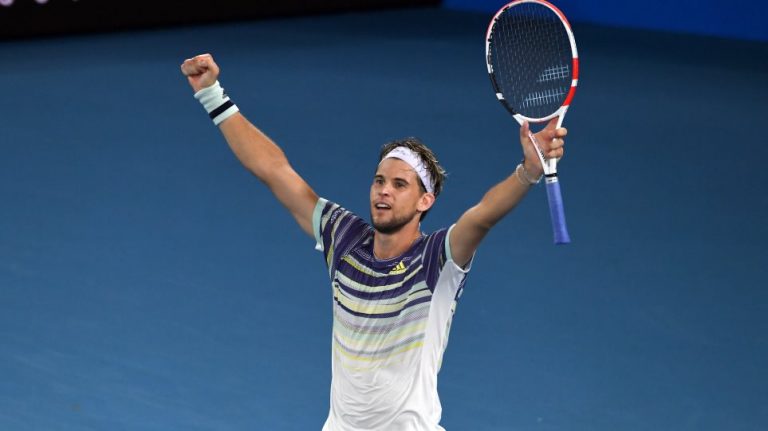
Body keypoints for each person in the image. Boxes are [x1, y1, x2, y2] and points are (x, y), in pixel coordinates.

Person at [181, 53, 566, 431]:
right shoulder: (344, 238)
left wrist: (527, 172)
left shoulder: (437, 260)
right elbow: (275, 171)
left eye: (400, 185)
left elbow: (482, 217)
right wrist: (212, 95)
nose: (384, 191)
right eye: (379, 181)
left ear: (425, 201)